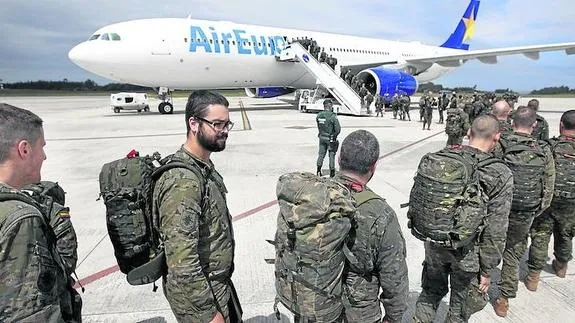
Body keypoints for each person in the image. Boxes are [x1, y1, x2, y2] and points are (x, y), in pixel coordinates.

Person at [414, 115, 514, 323]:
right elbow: (497, 228)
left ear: (468, 133)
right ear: (496, 138)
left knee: (430, 293)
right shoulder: (499, 173)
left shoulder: (442, 157)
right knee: (459, 306)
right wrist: (487, 269)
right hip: (468, 253)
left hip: (435, 243)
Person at [153, 91, 242, 323]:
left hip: (216, 285)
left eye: (227, 124)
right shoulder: (183, 181)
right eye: (217, 124)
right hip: (199, 296)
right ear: (194, 123)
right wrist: (208, 314)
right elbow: (181, 261)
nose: (224, 131)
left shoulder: (202, 167)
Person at [0, 103, 69, 322]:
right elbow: (29, 314)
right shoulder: (21, 219)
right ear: (24, 149)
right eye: (42, 146)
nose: (45, 156)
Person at [335, 130, 409, 323]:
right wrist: (393, 317)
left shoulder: (310, 199)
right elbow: (394, 277)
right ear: (374, 165)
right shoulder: (381, 213)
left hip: (314, 304)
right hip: (358, 313)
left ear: (338, 158)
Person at [492, 106, 555, 318]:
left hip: (500, 208)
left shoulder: (501, 143)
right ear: (534, 125)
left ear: (511, 122)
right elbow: (549, 184)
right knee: (513, 251)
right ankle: (504, 299)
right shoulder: (544, 150)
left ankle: (478, 286)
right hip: (526, 211)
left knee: (487, 246)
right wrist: (538, 209)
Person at [525, 110, 575, 290]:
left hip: (549, 199)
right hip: (572, 203)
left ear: (561, 125)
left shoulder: (548, 146)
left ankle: (533, 276)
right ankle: (561, 266)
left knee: (540, 235)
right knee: (566, 233)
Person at [316, 99, 341, 177]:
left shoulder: (319, 115)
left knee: (321, 154)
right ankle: (332, 173)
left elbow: (319, 126)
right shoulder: (332, 116)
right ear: (330, 106)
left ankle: (318, 171)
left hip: (322, 138)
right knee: (331, 155)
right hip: (330, 138)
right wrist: (334, 136)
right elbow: (338, 129)